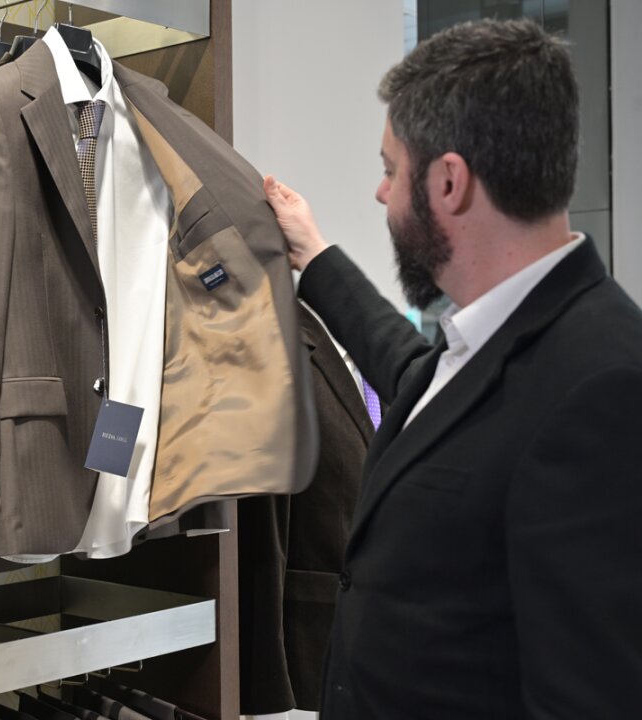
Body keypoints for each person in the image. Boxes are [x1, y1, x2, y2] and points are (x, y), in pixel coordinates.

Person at [263, 18, 642, 719]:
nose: (382, 194)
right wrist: (315, 259)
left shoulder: (605, 388)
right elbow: (420, 381)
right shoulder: (501, 332)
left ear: (449, 182)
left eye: (390, 170)